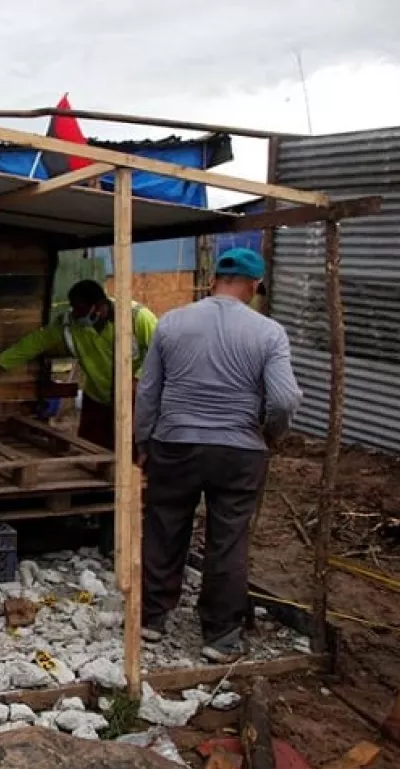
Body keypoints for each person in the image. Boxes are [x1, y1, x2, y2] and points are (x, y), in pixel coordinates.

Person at [135, 248, 302, 663]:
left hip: (174, 443)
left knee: (164, 526)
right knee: (227, 540)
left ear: (213, 280)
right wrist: (270, 434)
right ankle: (221, 635)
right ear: (255, 285)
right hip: (239, 450)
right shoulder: (268, 333)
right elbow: (284, 399)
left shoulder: (171, 322)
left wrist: (142, 441)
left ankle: (152, 619)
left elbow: (148, 390)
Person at [0, 279, 158, 450]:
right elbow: (34, 343)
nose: (76, 314)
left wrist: (137, 380)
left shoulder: (137, 318)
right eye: (73, 309)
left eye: (81, 309)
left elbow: (160, 351)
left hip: (135, 400)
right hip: (98, 397)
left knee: (133, 451)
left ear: (100, 306)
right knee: (91, 448)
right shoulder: (68, 324)